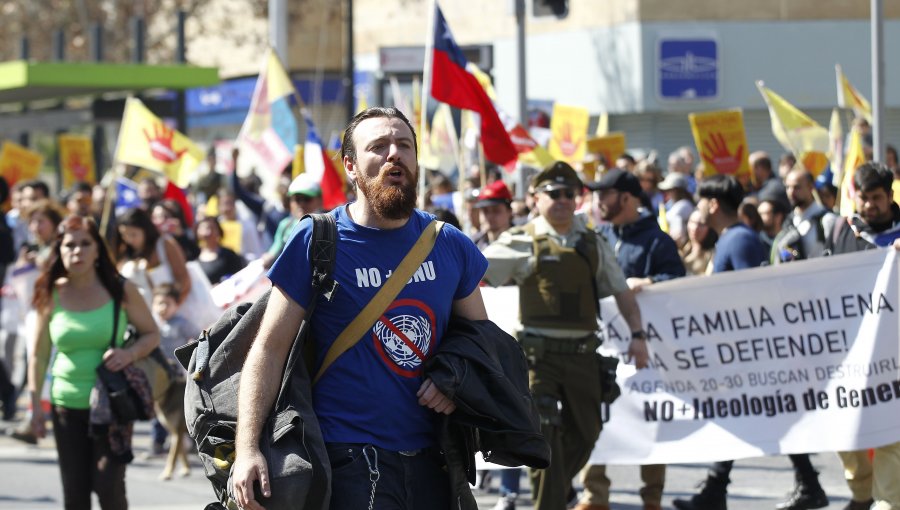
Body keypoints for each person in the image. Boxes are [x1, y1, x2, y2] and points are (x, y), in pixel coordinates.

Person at [231, 107, 489, 510]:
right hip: (349, 460)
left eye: (404, 145)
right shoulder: (316, 240)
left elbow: (481, 342)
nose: (394, 155)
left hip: (436, 460)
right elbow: (268, 348)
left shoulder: (450, 243)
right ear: (350, 166)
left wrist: (455, 378)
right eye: (379, 147)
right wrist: (247, 449)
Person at [482, 161, 650, 510]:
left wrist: (637, 334)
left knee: (587, 433)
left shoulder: (593, 243)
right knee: (542, 433)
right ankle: (552, 503)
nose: (561, 200)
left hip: (582, 355)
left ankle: (556, 492)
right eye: (553, 193)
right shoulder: (521, 241)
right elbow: (474, 270)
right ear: (535, 199)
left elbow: (621, 291)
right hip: (537, 359)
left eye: (568, 194)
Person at [27, 214, 160, 509]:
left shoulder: (120, 289)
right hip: (65, 405)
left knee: (108, 486)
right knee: (75, 494)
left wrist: (129, 353)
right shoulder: (50, 292)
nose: (77, 251)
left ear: (98, 249)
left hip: (112, 405)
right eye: (69, 245)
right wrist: (35, 405)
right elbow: (37, 355)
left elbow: (152, 334)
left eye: (85, 244)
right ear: (59, 250)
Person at [580, 169, 685, 510]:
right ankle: (594, 494)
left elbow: (678, 284)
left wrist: (651, 281)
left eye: (605, 194)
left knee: (650, 422)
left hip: (646, 351)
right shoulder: (601, 237)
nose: (598, 201)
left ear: (626, 198)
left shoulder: (658, 241)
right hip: (603, 348)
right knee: (596, 416)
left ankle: (651, 497)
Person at [672, 176, 775, 510]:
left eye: (702, 203)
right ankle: (714, 492)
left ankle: (808, 481)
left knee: (759, 417)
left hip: (743, 351)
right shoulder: (731, 238)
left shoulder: (741, 240)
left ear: (714, 205)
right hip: (732, 349)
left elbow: (754, 294)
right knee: (740, 418)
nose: (699, 209)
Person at [825, 162, 900, 510]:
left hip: (892, 350)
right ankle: (861, 493)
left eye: (877, 198)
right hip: (850, 351)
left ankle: (888, 502)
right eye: (864, 198)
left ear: (889, 196)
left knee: (891, 433)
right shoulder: (843, 231)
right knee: (845, 425)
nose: (870, 205)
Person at [115, 208, 191, 309]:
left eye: (133, 234)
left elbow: (183, 279)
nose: (129, 239)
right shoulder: (124, 255)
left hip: (179, 312)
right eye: (124, 235)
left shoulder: (164, 244)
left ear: (145, 230)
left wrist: (170, 308)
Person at [771, 168, 837, 264]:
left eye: (797, 187)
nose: (791, 192)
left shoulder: (827, 220)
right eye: (788, 187)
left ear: (811, 187)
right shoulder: (788, 222)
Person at [260, 173, 323, 269]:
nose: (301, 204)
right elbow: (276, 248)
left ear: (319, 200)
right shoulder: (285, 225)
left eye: (307, 199)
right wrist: (268, 258)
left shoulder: (328, 225)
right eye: (297, 199)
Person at [194, 216, 247, 285]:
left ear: (218, 231)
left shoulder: (229, 254)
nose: (208, 232)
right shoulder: (197, 265)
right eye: (205, 228)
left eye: (212, 228)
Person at [470, 180, 514, 251]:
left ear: (509, 211)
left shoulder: (521, 240)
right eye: (485, 211)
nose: (490, 216)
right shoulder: (473, 244)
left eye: (496, 210)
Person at [658, 172, 694, 248]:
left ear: (677, 190)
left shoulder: (683, 205)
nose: (666, 192)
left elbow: (678, 236)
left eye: (669, 189)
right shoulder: (673, 204)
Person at [680, 209, 717, 276]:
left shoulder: (713, 254)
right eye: (692, 222)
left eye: (701, 224)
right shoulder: (682, 249)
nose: (695, 228)